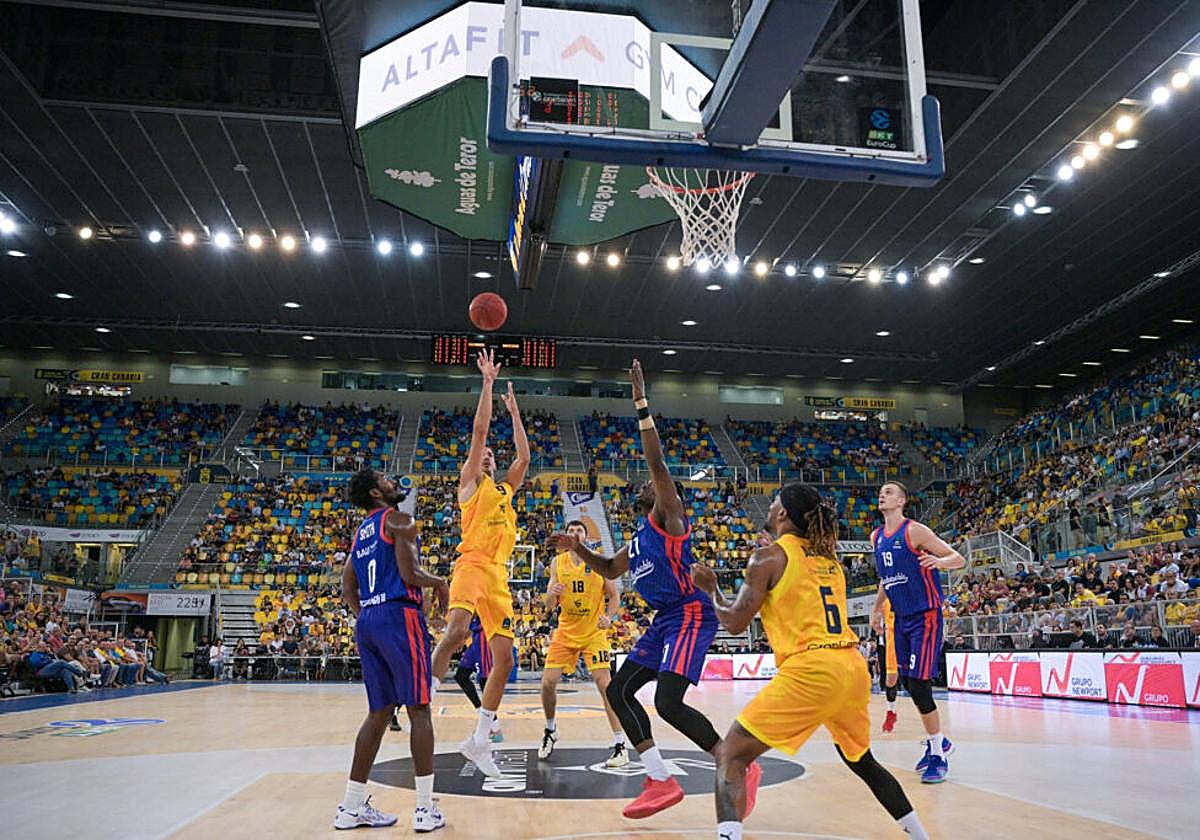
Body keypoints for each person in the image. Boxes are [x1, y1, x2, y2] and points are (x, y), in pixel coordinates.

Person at [550, 359, 746, 820]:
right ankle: (659, 778)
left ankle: (731, 762)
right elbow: (610, 570)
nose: (649, 483)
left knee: (667, 702)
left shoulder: (669, 517)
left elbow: (655, 461)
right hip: (663, 620)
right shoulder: (637, 537)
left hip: (691, 612)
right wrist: (578, 549)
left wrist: (641, 403)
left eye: (656, 485)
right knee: (618, 692)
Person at [691, 484, 929, 840]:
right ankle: (921, 835)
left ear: (783, 513)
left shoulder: (768, 557)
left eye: (774, 502)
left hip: (812, 668)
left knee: (731, 754)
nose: (770, 507)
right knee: (862, 761)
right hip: (851, 667)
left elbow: (735, 622)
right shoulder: (828, 560)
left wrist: (711, 589)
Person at [428, 350, 530, 778]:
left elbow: (524, 458)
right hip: (471, 564)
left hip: (499, 577)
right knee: (456, 631)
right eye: (482, 454)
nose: (487, 455)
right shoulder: (469, 486)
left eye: (491, 455)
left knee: (504, 660)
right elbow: (478, 429)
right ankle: (422, 697)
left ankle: (479, 739)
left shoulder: (506, 491)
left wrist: (516, 412)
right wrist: (488, 384)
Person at [335, 469, 449, 833]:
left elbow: (346, 586)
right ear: (376, 492)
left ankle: (350, 808)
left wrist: (370, 615)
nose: (392, 481)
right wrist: (441, 582)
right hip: (400, 616)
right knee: (419, 709)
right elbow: (411, 572)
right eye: (385, 479)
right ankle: (424, 809)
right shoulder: (399, 519)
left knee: (378, 714)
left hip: (368, 619)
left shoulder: (360, 533)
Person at [870, 480, 965, 784]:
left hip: (926, 615)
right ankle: (940, 741)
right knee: (909, 684)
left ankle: (938, 752)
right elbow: (887, 577)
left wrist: (939, 561)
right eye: (881, 492)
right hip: (900, 617)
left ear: (901, 501)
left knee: (920, 685)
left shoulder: (914, 531)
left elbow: (958, 558)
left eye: (889, 492)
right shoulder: (876, 537)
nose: (882, 495)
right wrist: (875, 609)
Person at [538, 519, 627, 767]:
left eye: (579, 531)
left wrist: (608, 617)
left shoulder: (599, 563)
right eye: (571, 530)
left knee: (604, 685)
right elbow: (547, 605)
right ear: (565, 537)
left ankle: (620, 744)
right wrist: (551, 594)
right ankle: (551, 729)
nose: (575, 533)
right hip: (566, 631)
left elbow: (614, 595)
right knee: (547, 683)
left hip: (593, 633)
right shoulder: (557, 562)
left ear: (586, 537)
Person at [452, 615, 504, 742]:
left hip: (484, 638)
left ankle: (495, 729)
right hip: (476, 639)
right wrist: (462, 639)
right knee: (461, 676)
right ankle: (483, 713)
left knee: (484, 682)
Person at [878, 598, 900, 733]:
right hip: (892, 640)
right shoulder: (885, 601)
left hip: (911, 636)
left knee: (916, 683)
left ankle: (933, 731)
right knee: (890, 681)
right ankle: (891, 712)